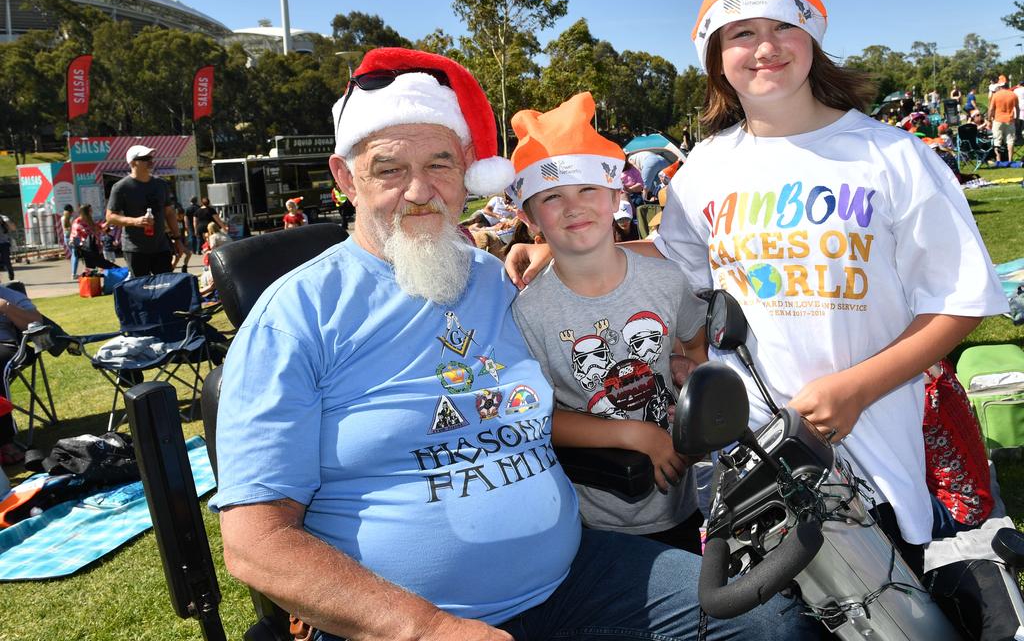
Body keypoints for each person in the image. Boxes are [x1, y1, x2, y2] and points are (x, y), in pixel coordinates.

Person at [210, 47, 813, 641]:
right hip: (404, 619)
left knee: (771, 623)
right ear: (346, 177)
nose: (420, 190)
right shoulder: (298, 316)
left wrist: (554, 247)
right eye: (390, 169)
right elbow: (256, 542)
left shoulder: (497, 281)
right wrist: (426, 629)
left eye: (441, 165)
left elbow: (591, 270)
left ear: (469, 171)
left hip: (571, 580)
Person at [508, 0, 1007, 576]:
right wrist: (556, 249)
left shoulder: (893, 157)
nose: (765, 47)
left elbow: (960, 302)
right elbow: (673, 254)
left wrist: (857, 389)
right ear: (716, 56)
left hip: (875, 440)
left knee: (886, 602)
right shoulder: (707, 168)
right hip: (750, 453)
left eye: (783, 26)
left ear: (812, 38)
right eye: (741, 32)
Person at [509, 92, 708, 554]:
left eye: (587, 190)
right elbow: (534, 416)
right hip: (588, 518)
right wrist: (633, 433)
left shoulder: (665, 280)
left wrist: (687, 375)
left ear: (616, 196)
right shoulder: (527, 314)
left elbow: (694, 346)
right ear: (529, 217)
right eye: (552, 197)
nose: (573, 207)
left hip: (678, 502)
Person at [105, 145, 184, 277]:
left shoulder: (161, 184)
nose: (151, 161)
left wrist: (177, 239)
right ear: (133, 162)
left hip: (161, 246)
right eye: (146, 158)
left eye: (151, 158)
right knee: (141, 289)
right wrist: (135, 221)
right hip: (135, 249)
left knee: (166, 286)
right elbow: (110, 217)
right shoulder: (121, 187)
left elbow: (169, 213)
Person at [0, 285, 43, 466]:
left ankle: (4, 441)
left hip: (4, 345)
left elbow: (37, 322)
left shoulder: (8, 295)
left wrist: (5, 307)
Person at [988, 78, 1019, 163]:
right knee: (1010, 140)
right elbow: (1017, 108)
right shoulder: (1013, 95)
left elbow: (991, 109)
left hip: (998, 120)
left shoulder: (996, 95)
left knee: (997, 140)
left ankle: (998, 160)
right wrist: (1017, 119)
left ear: (1000, 87)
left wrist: (989, 119)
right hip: (1010, 120)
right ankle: (1010, 160)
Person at [0, 214, 15, 282]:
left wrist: (5, 222)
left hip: (4, 243)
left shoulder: (4, 218)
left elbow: (13, 228)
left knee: (7, 262)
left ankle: (11, 277)